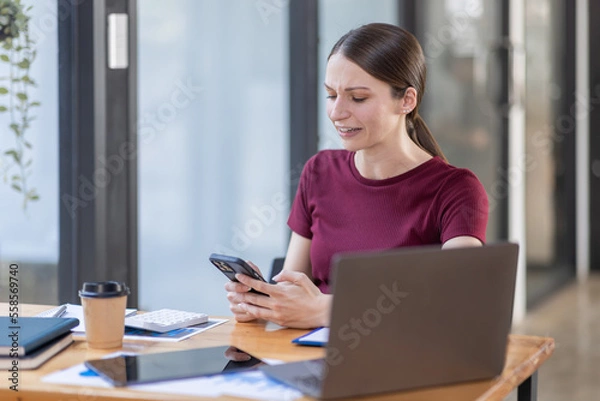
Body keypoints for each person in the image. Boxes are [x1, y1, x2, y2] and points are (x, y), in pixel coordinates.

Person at [225, 23, 488, 329]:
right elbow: (295, 283)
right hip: (308, 356)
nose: (337, 112)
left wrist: (327, 310)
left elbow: (457, 299)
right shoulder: (319, 172)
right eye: (331, 94)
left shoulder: (457, 190)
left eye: (358, 98)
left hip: (399, 364)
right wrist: (264, 302)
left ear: (407, 100)